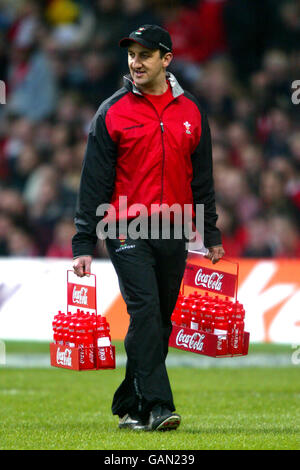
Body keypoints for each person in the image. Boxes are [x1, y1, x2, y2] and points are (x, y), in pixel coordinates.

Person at [72, 25, 224, 431]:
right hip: (125, 227)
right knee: (144, 312)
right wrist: (83, 242)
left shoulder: (192, 111)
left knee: (159, 321)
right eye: (131, 55)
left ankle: (131, 402)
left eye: (145, 55)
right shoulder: (111, 111)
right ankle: (159, 406)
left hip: (174, 229)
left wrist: (211, 235)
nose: (135, 63)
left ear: (166, 60)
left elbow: (202, 181)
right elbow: (93, 183)